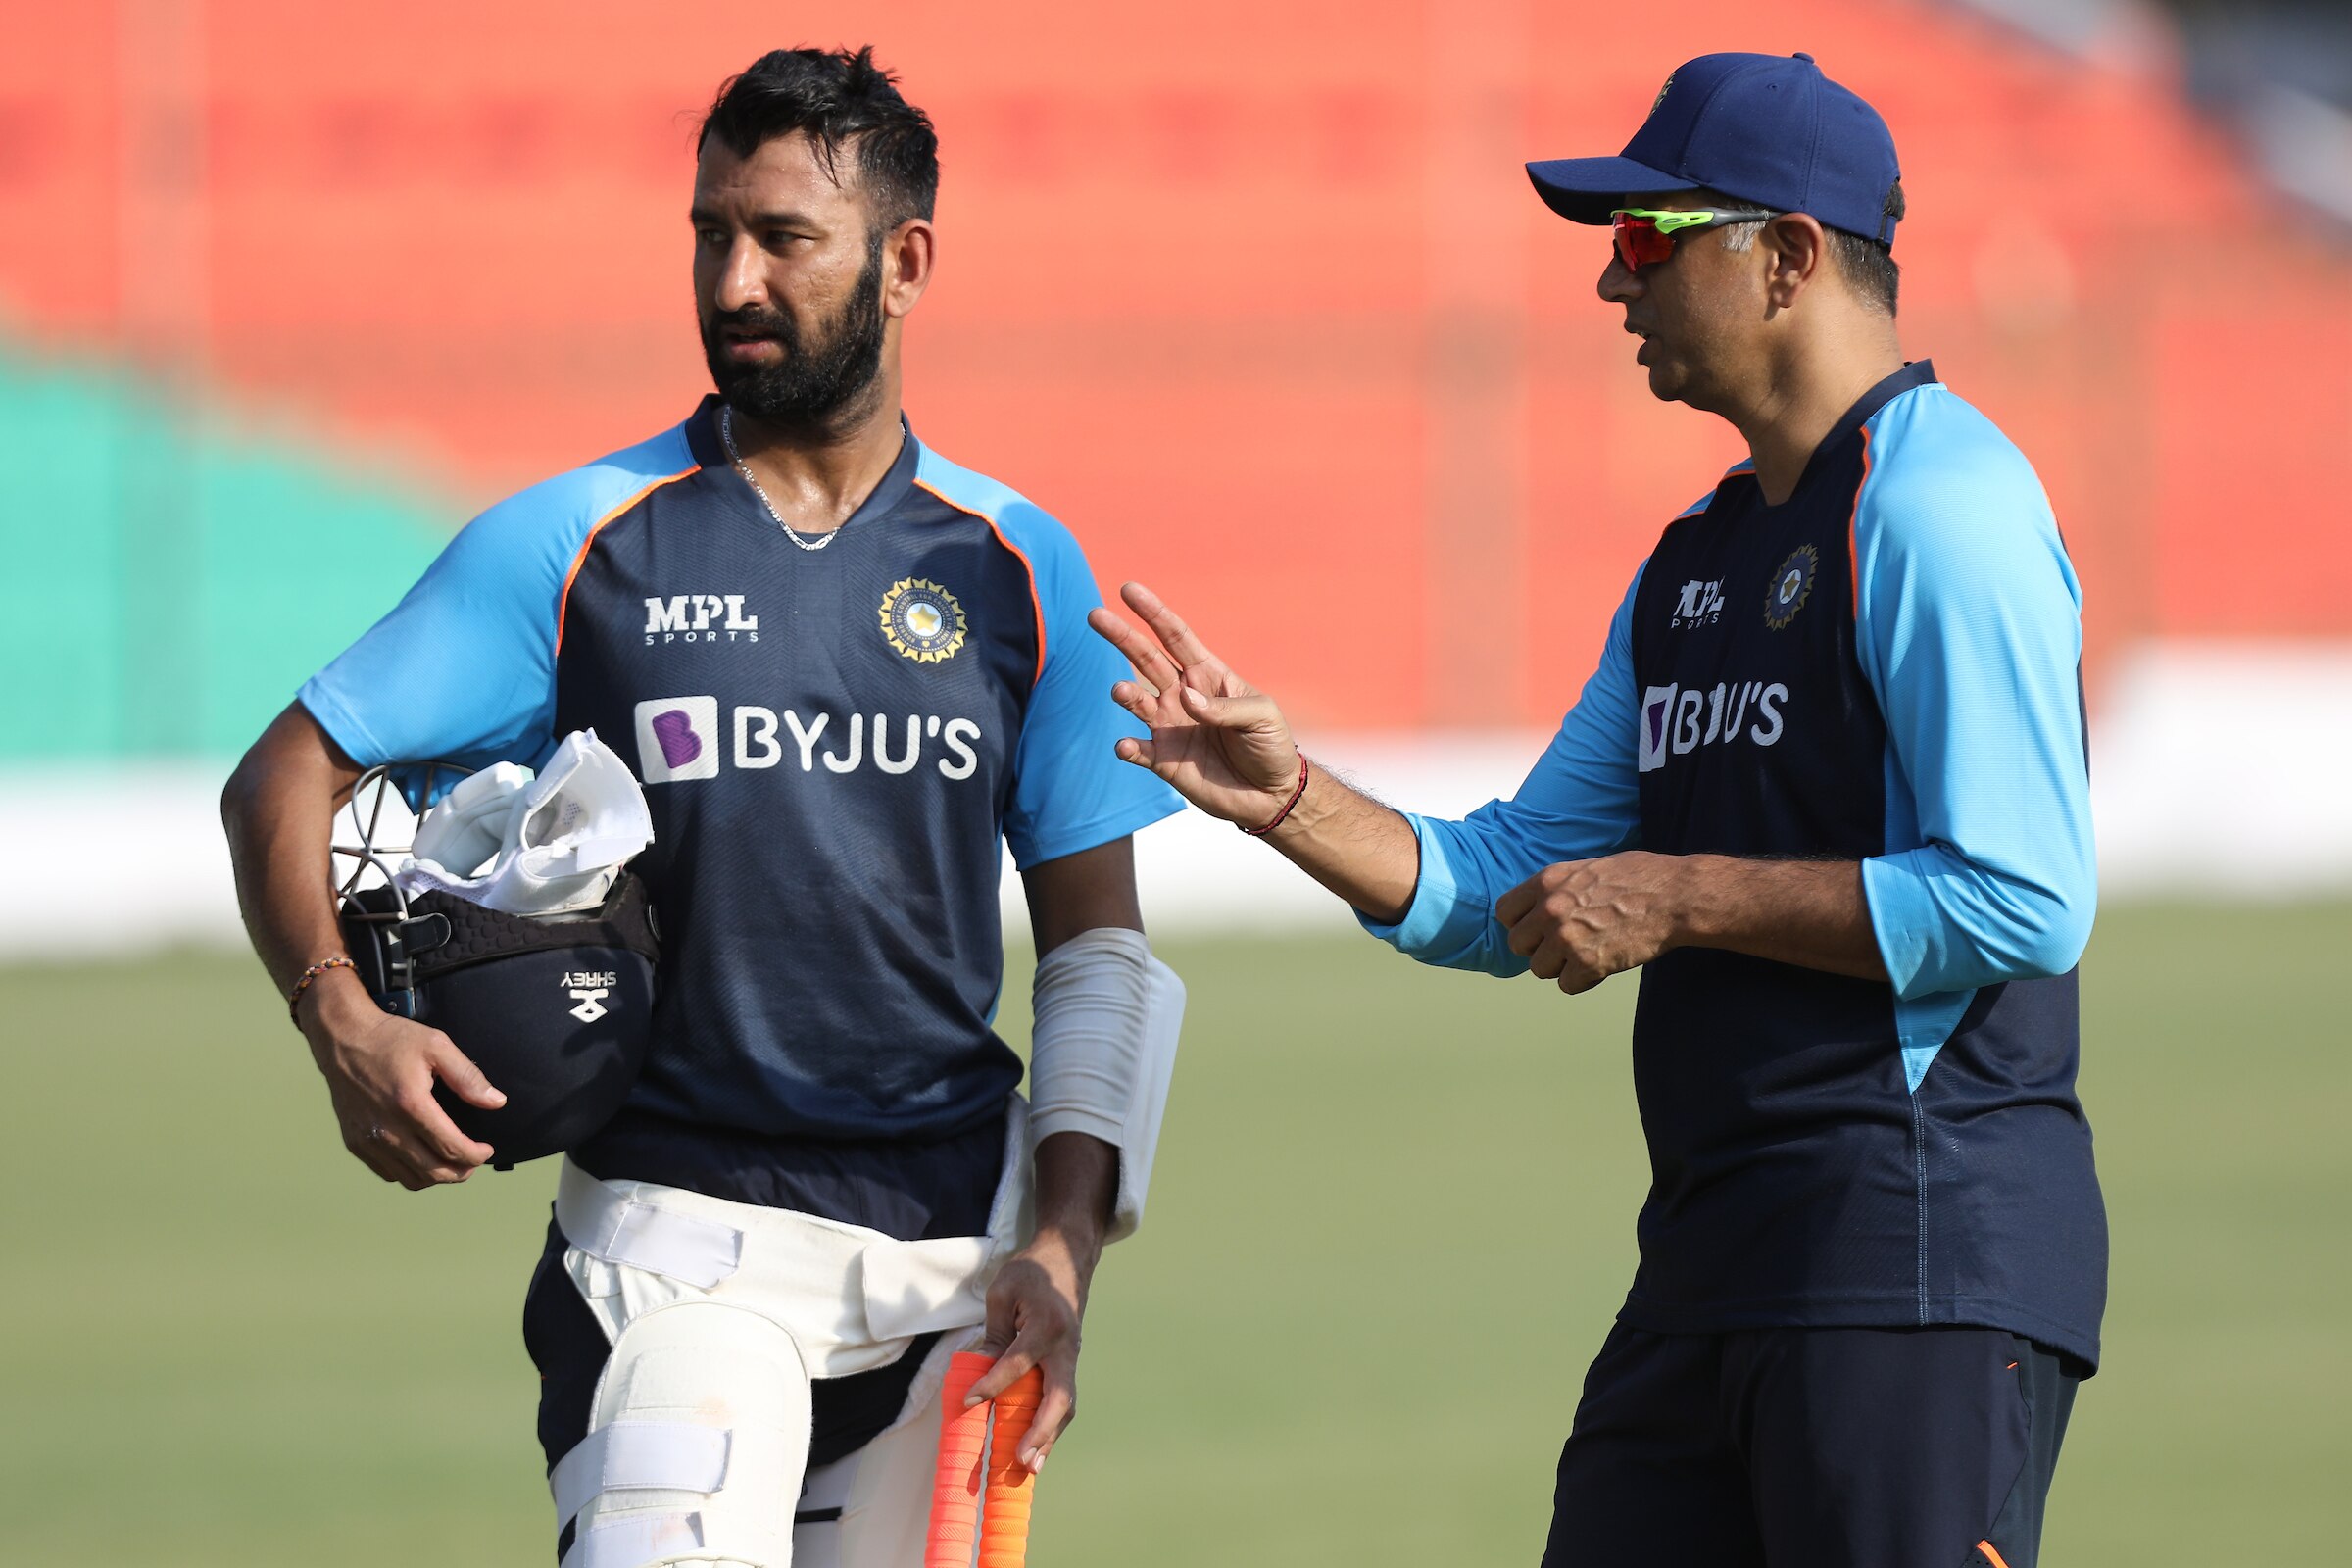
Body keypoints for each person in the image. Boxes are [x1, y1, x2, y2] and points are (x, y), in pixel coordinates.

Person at [1092, 51, 2100, 1568]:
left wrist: (1683, 896)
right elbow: (1503, 882)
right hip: (1711, 1266)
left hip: (1913, 1260)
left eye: (1647, 240)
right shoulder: (1691, 565)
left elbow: (2027, 898)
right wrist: (1284, 800)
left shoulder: (1942, 505)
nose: (1614, 288)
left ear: (1788, 258)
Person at [221, 46, 1181, 1567]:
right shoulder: (577, 539)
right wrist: (336, 1012)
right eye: (709, 231)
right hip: (673, 1256)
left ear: (905, 261)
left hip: (957, 1273)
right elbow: (284, 772)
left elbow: (1101, 965)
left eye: (783, 238)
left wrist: (1064, 1250)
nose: (733, 278)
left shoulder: (1022, 573)